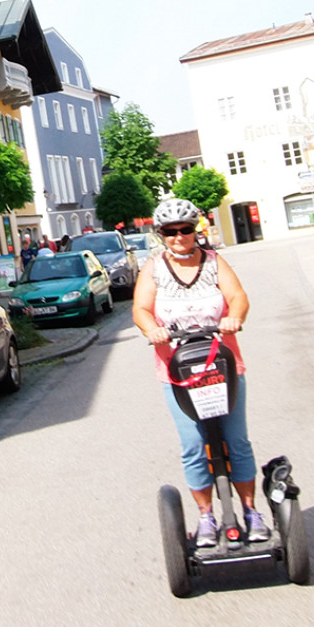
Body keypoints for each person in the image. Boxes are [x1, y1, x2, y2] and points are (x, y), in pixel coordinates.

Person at [131, 198, 269, 547]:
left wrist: (234, 317)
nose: (179, 237)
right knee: (193, 445)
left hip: (223, 366)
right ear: (160, 234)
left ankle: (251, 511)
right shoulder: (153, 268)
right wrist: (152, 330)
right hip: (177, 371)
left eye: (185, 229)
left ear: (196, 230)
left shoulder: (213, 262)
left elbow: (238, 296)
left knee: (236, 440)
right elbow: (141, 308)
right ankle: (206, 517)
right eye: (170, 231)